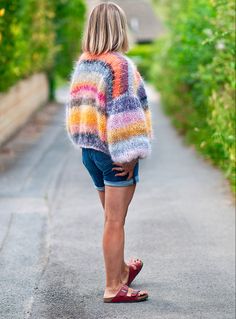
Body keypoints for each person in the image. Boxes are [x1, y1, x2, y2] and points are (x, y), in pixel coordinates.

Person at [65, 2, 153, 303]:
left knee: (111, 219)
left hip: (90, 151)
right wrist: (128, 156)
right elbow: (124, 113)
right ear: (119, 27)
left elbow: (76, 109)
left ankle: (123, 269)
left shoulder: (86, 63)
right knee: (115, 221)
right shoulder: (120, 65)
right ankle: (114, 286)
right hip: (114, 153)